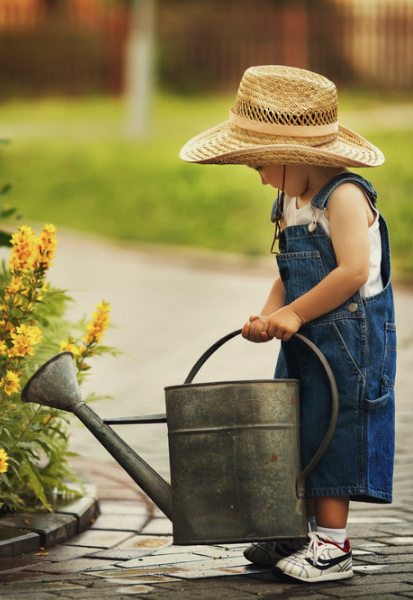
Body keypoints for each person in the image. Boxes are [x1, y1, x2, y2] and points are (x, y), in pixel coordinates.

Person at [179, 65, 395, 583]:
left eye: (260, 163)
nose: (256, 175)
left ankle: (334, 547)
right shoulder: (290, 199)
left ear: (297, 155)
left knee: (333, 430)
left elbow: (352, 272)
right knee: (291, 425)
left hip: (350, 341)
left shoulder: (343, 197)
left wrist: (295, 313)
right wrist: (273, 313)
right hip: (306, 335)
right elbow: (288, 273)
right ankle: (291, 529)